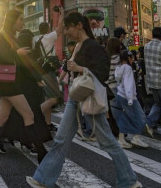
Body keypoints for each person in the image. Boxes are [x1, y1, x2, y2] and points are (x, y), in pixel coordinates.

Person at [26, 12, 141, 188]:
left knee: (108, 142)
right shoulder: (79, 45)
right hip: (75, 97)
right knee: (61, 140)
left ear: (79, 25)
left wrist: (80, 68)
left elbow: (102, 73)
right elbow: (69, 67)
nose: (66, 32)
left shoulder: (93, 46)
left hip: (89, 98)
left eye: (68, 27)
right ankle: (43, 179)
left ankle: (130, 180)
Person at [0, 9, 48, 167]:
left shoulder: (8, 36)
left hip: (6, 84)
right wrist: (18, 52)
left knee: (2, 117)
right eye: (20, 19)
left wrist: (34, 77)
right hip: (9, 85)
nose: (23, 22)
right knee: (28, 115)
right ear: (13, 21)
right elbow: (0, 57)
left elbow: (18, 63)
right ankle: (42, 153)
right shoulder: (4, 36)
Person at [34, 11, 64, 132]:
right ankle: (35, 116)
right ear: (47, 29)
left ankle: (48, 123)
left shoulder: (37, 39)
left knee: (47, 98)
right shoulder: (49, 37)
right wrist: (62, 13)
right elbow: (60, 28)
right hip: (48, 71)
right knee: (55, 97)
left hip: (40, 70)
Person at [113, 50, 149, 148]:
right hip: (129, 97)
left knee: (124, 117)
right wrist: (130, 98)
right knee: (140, 117)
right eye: (132, 57)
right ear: (128, 58)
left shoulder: (119, 68)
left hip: (120, 95)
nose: (133, 59)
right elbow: (128, 83)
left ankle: (121, 139)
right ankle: (136, 137)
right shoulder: (128, 68)